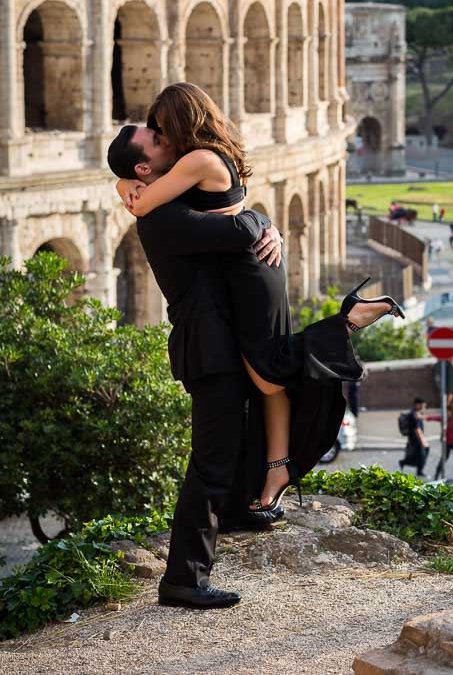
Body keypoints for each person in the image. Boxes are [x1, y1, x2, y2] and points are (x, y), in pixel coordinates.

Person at [108, 92, 400, 610]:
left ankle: (243, 508)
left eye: (161, 129)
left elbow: (234, 220)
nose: (162, 138)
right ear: (143, 167)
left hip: (220, 335)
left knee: (257, 403)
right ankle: (183, 579)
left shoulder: (174, 197)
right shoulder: (162, 218)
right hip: (210, 348)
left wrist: (267, 225)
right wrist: (262, 224)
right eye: (153, 140)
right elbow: (237, 226)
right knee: (212, 460)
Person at [429, 403, 453, 478]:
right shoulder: (446, 418)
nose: (447, 413)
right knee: (443, 459)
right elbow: (436, 418)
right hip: (447, 442)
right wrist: (426, 417)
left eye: (448, 411)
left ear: (452, 411)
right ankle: (436, 476)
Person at [400, 398, 429, 478]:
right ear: (418, 404)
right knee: (423, 454)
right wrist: (423, 441)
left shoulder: (415, 413)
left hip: (414, 439)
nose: (424, 407)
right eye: (423, 405)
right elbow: (417, 429)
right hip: (416, 440)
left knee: (419, 455)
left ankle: (417, 469)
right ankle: (405, 463)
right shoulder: (414, 415)